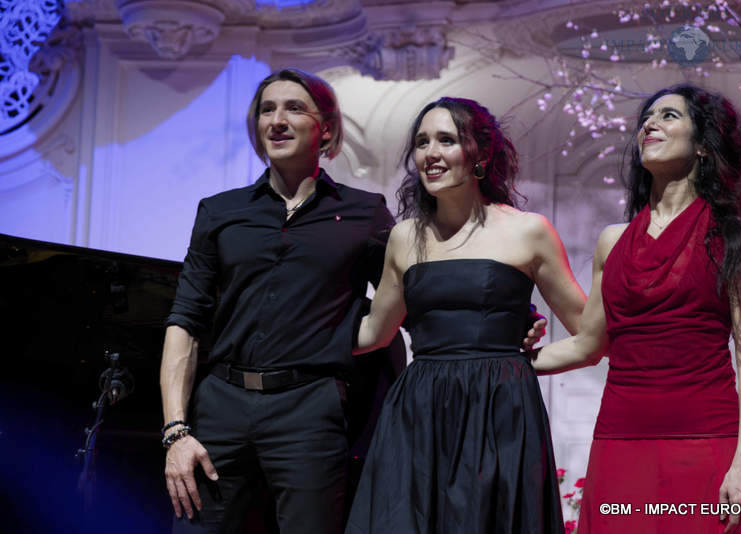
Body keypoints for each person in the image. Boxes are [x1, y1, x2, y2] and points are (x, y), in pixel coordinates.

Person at [529, 84, 741, 533]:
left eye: (668, 116)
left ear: (703, 144)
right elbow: (587, 345)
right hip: (619, 440)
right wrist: (501, 357)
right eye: (646, 117)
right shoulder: (613, 241)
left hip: (706, 439)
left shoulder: (737, 240)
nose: (650, 124)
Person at [159, 68, 396, 534]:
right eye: (267, 109)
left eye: (293, 108)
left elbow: (418, 291)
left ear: (325, 128)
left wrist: (512, 323)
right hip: (220, 406)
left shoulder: (365, 213)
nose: (277, 120)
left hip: (310, 408)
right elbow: (185, 320)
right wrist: (176, 432)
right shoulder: (220, 211)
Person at [344, 97, 587, 534]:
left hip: (501, 411)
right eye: (421, 142)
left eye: (446, 140)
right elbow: (374, 334)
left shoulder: (527, 230)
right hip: (419, 411)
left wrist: (518, 363)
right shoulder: (404, 237)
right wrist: (293, 326)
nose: (430, 153)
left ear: (481, 153)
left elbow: (590, 339)